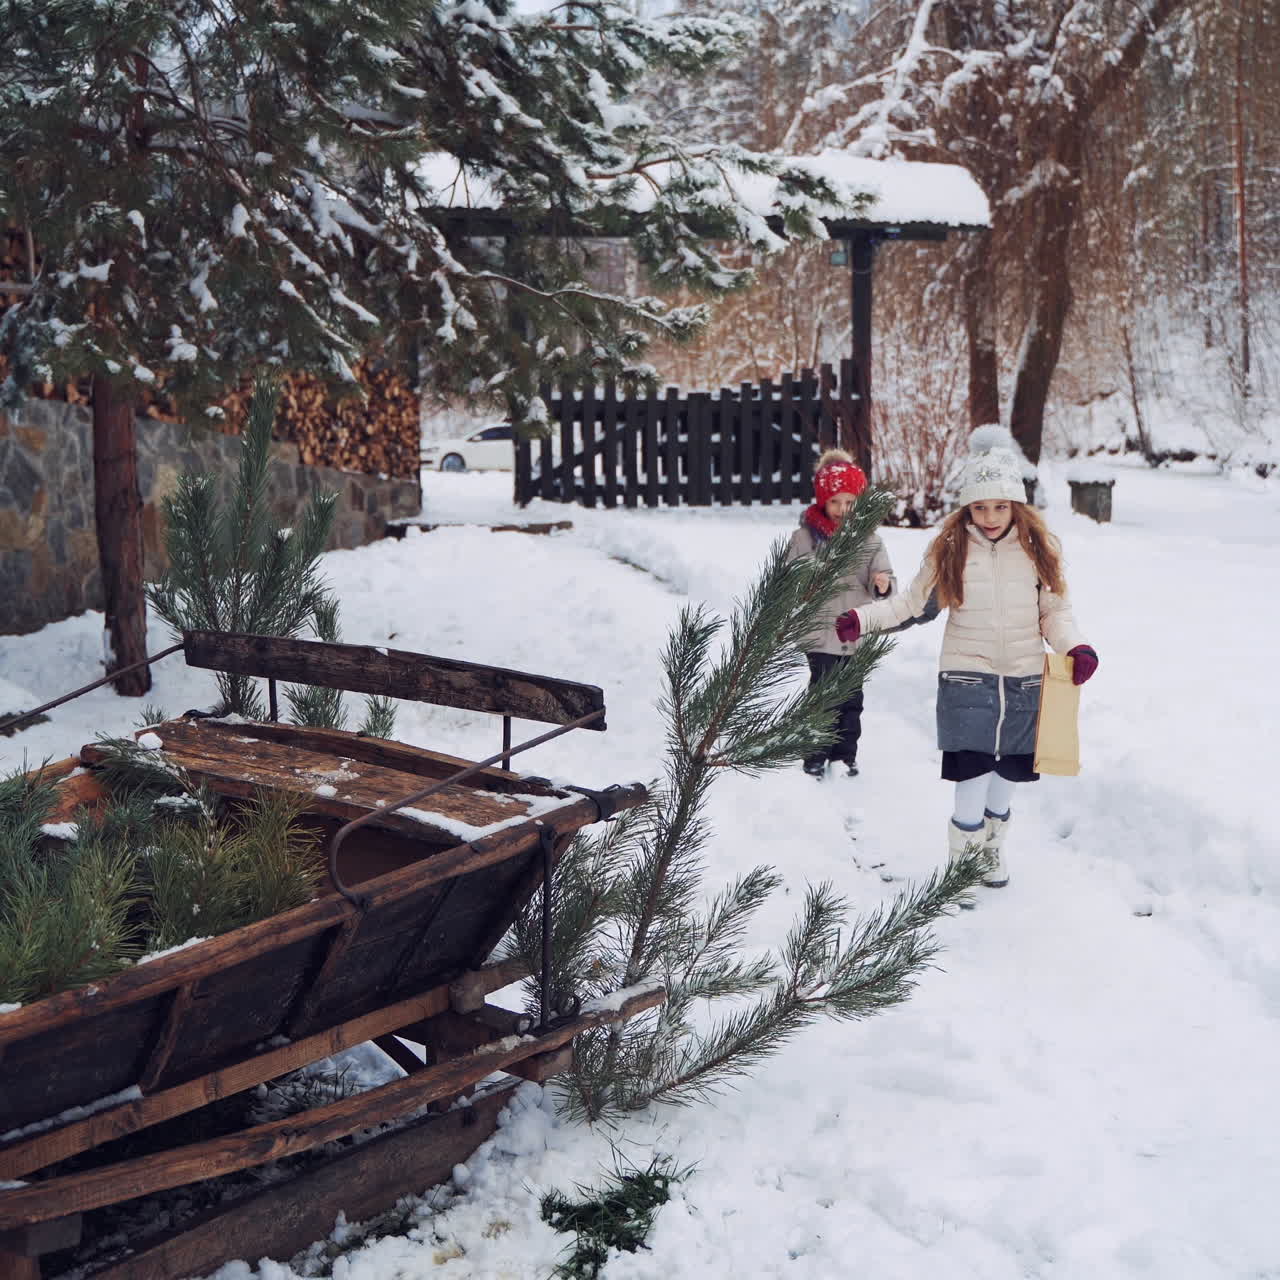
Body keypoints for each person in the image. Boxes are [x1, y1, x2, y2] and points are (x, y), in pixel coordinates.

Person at [833, 428, 1098, 889]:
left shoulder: (1039, 551)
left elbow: (1055, 611)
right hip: (966, 678)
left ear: (1016, 504)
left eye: (999, 506)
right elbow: (910, 603)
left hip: (1023, 679)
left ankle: (992, 851)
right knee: (973, 770)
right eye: (979, 506)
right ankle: (962, 865)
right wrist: (863, 617)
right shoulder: (951, 548)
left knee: (1008, 771)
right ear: (966, 508)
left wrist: (1074, 647)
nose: (990, 516)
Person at [786, 448, 895, 780]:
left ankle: (845, 754)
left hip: (854, 631)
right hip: (819, 632)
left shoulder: (871, 541)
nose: (843, 510)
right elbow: (789, 578)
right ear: (822, 501)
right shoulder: (806, 537)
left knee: (851, 698)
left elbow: (887, 581)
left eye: (850, 502)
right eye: (835, 502)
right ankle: (814, 754)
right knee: (823, 695)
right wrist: (808, 574)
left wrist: (882, 584)